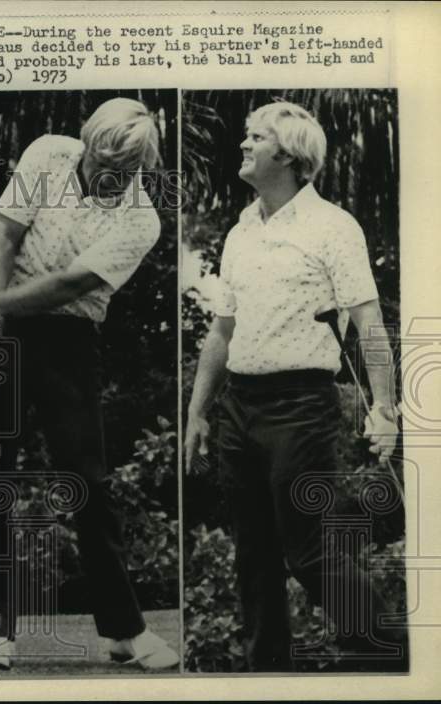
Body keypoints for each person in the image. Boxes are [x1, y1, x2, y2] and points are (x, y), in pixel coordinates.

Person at [0, 97, 180, 670]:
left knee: (87, 478)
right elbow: (2, 240)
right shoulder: (48, 155)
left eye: (126, 170)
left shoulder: (141, 219)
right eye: (104, 160)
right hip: (7, 322)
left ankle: (123, 631)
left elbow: (67, 284)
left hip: (71, 338)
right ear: (88, 142)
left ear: (141, 169)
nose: (110, 176)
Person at [184, 102, 407, 671]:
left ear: (286, 154)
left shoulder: (333, 227)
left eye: (254, 138)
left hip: (302, 408)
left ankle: (388, 656)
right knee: (253, 559)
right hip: (240, 406)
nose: (242, 146)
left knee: (310, 552)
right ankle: (268, 677)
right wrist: (198, 412)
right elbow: (222, 328)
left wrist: (384, 408)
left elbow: (368, 324)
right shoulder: (240, 230)